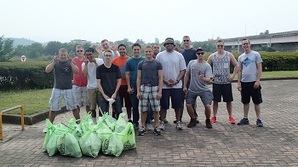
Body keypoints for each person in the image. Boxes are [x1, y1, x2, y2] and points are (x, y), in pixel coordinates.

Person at [156, 37, 186, 131]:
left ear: (174, 45)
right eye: (167, 44)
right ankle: (162, 122)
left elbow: (183, 70)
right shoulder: (160, 56)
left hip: (177, 86)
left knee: (177, 105)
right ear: (165, 45)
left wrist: (177, 80)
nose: (169, 45)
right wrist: (165, 81)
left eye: (171, 44)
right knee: (163, 105)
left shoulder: (179, 55)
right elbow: (157, 70)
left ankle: (178, 121)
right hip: (164, 86)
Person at [207, 39, 239, 124]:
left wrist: (232, 76)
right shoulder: (212, 56)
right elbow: (207, 67)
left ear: (224, 46)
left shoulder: (229, 55)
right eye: (218, 46)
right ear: (216, 46)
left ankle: (230, 116)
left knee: (228, 101)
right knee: (215, 101)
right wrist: (210, 77)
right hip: (216, 83)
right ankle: (214, 116)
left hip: (226, 82)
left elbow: (236, 65)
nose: (220, 47)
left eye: (221, 46)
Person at [45, 48, 80, 123]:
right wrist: (53, 62)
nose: (63, 56)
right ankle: (50, 126)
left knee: (74, 107)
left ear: (67, 55)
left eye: (64, 55)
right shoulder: (55, 62)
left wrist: (71, 63)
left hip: (69, 88)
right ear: (58, 55)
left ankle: (79, 124)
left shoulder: (70, 62)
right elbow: (47, 70)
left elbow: (77, 71)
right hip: (57, 88)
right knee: (53, 108)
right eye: (61, 55)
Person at [136, 45, 163, 136]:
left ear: (152, 52)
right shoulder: (141, 63)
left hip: (154, 87)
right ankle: (142, 126)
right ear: (144, 52)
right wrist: (138, 91)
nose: (148, 53)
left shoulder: (157, 63)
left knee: (156, 109)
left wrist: (159, 91)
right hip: (144, 87)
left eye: (149, 51)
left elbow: (160, 78)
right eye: (146, 52)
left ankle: (156, 126)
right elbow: (139, 78)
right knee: (143, 109)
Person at [183, 47, 213, 129]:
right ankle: (193, 119)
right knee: (188, 105)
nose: (200, 55)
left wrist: (203, 78)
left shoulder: (207, 65)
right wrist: (185, 86)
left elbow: (209, 79)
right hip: (192, 89)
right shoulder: (191, 63)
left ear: (204, 54)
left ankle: (207, 120)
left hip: (203, 89)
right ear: (196, 54)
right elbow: (187, 74)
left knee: (207, 105)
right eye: (198, 53)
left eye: (202, 53)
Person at [237, 38, 264, 127]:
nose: (245, 45)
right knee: (245, 102)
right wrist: (239, 83)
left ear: (250, 44)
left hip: (254, 82)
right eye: (243, 44)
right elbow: (239, 71)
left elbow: (259, 68)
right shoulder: (241, 57)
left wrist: (258, 80)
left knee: (256, 102)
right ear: (242, 46)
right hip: (244, 82)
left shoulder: (256, 55)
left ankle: (259, 119)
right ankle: (245, 118)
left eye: (246, 44)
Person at [178, 35, 199, 124]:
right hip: (182, 77)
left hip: (192, 78)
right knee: (180, 98)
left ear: (190, 41)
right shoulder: (180, 52)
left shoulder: (194, 52)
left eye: (187, 40)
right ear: (182, 42)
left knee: (192, 98)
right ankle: (179, 118)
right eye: (184, 41)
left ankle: (194, 116)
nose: (186, 42)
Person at [96, 50, 122, 119]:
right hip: (104, 93)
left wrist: (115, 93)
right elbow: (98, 82)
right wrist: (104, 95)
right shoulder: (99, 69)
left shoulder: (116, 68)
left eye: (109, 56)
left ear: (112, 57)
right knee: (103, 113)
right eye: (106, 55)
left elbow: (119, 81)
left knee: (119, 111)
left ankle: (118, 126)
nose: (108, 57)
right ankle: (104, 127)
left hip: (114, 92)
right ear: (104, 57)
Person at [125, 43, 145, 129]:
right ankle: (135, 122)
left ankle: (146, 122)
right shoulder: (129, 61)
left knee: (145, 105)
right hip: (133, 86)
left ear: (140, 50)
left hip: (144, 85)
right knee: (135, 105)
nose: (136, 51)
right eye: (134, 50)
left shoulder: (144, 59)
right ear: (132, 50)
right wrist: (128, 87)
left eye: (138, 49)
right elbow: (127, 74)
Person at [82, 48, 104, 124]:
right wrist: (86, 64)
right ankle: (94, 122)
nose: (89, 56)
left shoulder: (100, 61)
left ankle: (102, 122)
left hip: (100, 87)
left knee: (101, 106)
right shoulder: (84, 64)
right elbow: (84, 74)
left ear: (93, 54)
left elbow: (101, 72)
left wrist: (95, 63)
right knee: (92, 107)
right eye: (87, 55)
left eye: (90, 54)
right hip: (90, 87)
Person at [112, 44, 132, 122]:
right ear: (118, 50)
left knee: (128, 104)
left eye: (123, 49)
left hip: (127, 85)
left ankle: (130, 118)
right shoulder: (115, 61)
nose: (122, 51)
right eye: (120, 49)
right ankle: (119, 119)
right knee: (118, 104)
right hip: (118, 85)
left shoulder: (129, 59)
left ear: (126, 50)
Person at [72, 45, 89, 112]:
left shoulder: (87, 60)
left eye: (81, 51)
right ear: (76, 52)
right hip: (76, 84)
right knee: (76, 104)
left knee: (88, 104)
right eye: (78, 51)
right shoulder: (73, 60)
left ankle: (89, 119)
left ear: (84, 51)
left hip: (86, 84)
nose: (79, 52)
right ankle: (78, 119)